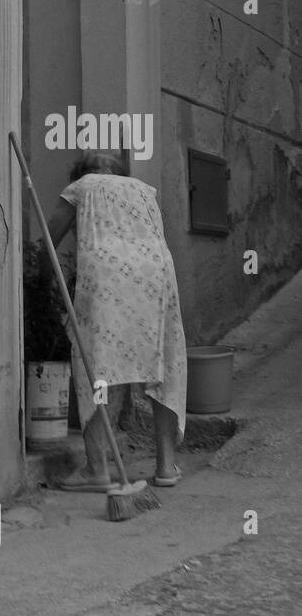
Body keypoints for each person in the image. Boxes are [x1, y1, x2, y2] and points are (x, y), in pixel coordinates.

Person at [41, 150, 187, 490]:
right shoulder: (143, 189)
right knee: (162, 362)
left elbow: (50, 236)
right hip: (157, 273)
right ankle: (165, 467)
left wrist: (44, 283)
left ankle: (98, 471)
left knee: (99, 364)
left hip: (106, 274)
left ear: (81, 172)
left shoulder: (82, 187)